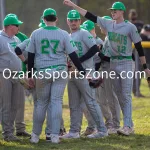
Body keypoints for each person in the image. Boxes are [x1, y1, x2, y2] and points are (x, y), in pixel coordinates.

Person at [63, 0, 150, 136]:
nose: (113, 12)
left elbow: (139, 47)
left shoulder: (130, 27)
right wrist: (74, 6)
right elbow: (90, 15)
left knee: (126, 95)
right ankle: (126, 124)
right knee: (119, 95)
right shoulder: (108, 23)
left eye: (115, 10)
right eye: (112, 11)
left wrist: (145, 66)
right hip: (114, 63)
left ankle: (127, 126)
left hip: (126, 62)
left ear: (122, 11)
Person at [26, 8, 87, 144]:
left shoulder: (36, 33)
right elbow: (73, 55)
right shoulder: (64, 33)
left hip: (43, 71)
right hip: (60, 71)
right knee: (56, 102)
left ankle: (35, 136)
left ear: (44, 19)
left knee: (41, 103)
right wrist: (82, 70)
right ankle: (54, 135)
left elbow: (30, 55)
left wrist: (30, 74)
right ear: (56, 19)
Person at [61, 10, 107, 139]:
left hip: (86, 72)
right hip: (73, 73)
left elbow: (94, 49)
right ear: (67, 21)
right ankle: (74, 131)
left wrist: (78, 61)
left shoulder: (84, 33)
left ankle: (102, 130)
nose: (73, 22)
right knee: (74, 103)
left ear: (80, 21)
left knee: (91, 102)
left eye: (76, 20)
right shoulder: (68, 36)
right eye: (71, 20)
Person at [0, 15, 24, 141]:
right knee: (6, 105)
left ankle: (11, 132)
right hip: (4, 75)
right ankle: (7, 133)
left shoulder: (16, 39)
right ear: (9, 26)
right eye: (16, 25)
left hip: (17, 76)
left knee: (15, 105)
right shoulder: (0, 38)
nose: (18, 27)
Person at [128, 9, 145, 97]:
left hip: (138, 49)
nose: (133, 16)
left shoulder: (140, 24)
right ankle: (133, 90)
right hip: (130, 50)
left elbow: (144, 34)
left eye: (134, 14)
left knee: (139, 71)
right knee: (132, 71)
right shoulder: (127, 24)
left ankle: (136, 90)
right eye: (132, 14)